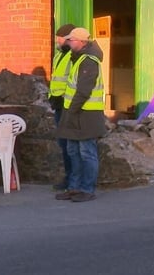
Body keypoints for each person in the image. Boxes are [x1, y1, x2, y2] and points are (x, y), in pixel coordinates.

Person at [55, 27, 106, 202]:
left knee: (86, 152)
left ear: (82, 42)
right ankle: (74, 188)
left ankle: (87, 189)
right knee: (73, 151)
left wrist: (71, 112)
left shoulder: (89, 61)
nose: (68, 43)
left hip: (86, 115)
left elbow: (83, 91)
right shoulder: (77, 58)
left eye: (71, 40)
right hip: (75, 112)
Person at [48, 23, 76, 191]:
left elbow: (73, 81)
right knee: (64, 145)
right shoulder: (59, 56)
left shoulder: (74, 56)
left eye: (59, 39)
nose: (57, 42)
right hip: (59, 105)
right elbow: (56, 80)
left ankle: (74, 180)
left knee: (71, 146)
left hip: (68, 106)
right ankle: (69, 178)